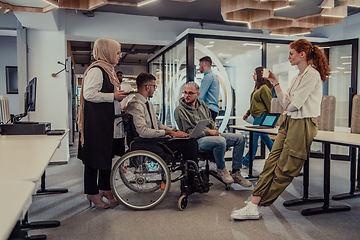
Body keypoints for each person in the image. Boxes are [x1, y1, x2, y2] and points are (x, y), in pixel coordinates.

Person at [231, 38, 330, 220]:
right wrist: (275, 82)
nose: (288, 57)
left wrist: (288, 103)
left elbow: (292, 105)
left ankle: (257, 203)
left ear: (303, 54)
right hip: (290, 122)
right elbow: (286, 103)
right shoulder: (297, 77)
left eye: (291, 53)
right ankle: (254, 203)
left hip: (303, 123)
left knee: (285, 168)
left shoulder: (312, 75)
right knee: (271, 163)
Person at [78, 38, 128, 209]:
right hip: (96, 124)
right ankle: (92, 193)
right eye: (117, 52)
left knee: (106, 157)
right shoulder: (97, 70)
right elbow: (89, 94)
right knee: (93, 159)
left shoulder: (109, 70)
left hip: (106, 123)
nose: (119, 56)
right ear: (107, 52)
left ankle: (105, 188)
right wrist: (113, 96)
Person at [174, 82, 252, 187]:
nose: (186, 96)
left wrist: (216, 131)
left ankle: (236, 172)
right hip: (195, 141)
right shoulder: (180, 110)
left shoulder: (202, 105)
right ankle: (221, 169)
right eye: (185, 92)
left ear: (197, 94)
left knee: (239, 138)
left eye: (190, 93)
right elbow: (187, 132)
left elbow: (210, 122)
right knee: (220, 141)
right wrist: (208, 132)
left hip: (210, 137)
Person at [126, 72, 199, 165]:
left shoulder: (148, 104)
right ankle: (191, 177)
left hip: (156, 141)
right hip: (148, 143)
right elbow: (143, 132)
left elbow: (158, 125)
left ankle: (190, 175)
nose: (155, 89)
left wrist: (174, 131)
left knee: (191, 141)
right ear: (147, 87)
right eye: (154, 86)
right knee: (190, 145)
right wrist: (168, 133)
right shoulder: (135, 105)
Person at [242, 67, 274, 168]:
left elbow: (269, 104)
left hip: (261, 116)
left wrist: (269, 120)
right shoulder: (258, 87)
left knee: (254, 140)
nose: (253, 75)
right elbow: (253, 103)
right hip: (256, 116)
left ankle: (247, 161)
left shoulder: (264, 88)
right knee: (265, 138)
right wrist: (248, 113)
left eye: (255, 74)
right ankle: (278, 156)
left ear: (260, 75)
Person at [113, 71, 133, 157]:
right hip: (115, 111)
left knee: (126, 130)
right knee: (116, 131)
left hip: (124, 110)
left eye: (121, 76)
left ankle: (125, 148)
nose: (119, 77)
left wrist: (126, 105)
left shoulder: (127, 85)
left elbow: (131, 96)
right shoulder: (113, 84)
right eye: (118, 76)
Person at [198, 56, 219, 121]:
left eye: (199, 65)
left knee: (205, 130)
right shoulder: (214, 77)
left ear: (204, 65)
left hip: (208, 109)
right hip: (213, 110)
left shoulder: (207, 77)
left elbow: (200, 96)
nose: (199, 68)